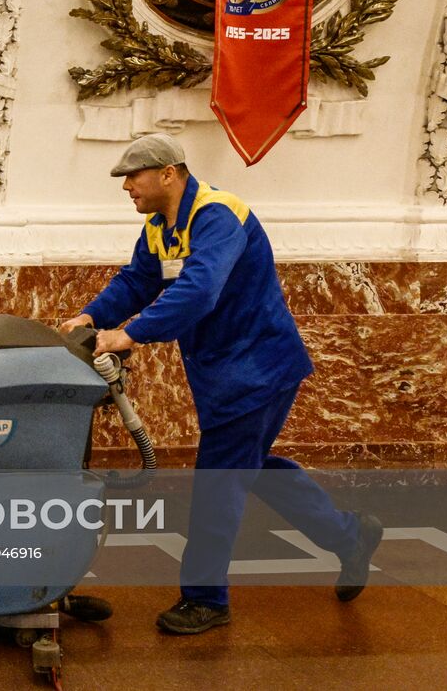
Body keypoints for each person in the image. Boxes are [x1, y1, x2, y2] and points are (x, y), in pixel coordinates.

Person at [58, 132, 382, 635]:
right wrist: (90, 316)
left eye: (133, 176)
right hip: (225, 371)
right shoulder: (161, 227)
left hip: (258, 368)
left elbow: (199, 288)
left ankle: (206, 597)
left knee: (219, 481)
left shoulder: (217, 215)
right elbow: (137, 280)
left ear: (169, 172)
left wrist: (129, 334)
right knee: (249, 468)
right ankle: (350, 535)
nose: (127, 187)